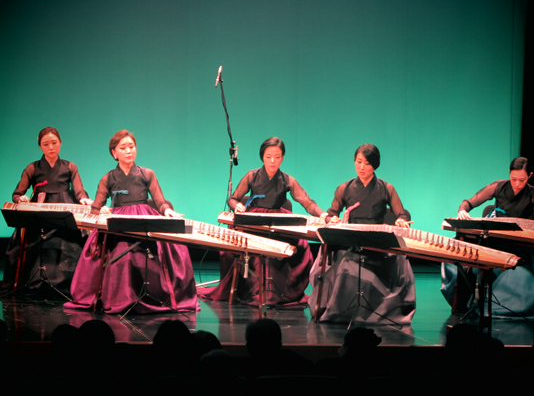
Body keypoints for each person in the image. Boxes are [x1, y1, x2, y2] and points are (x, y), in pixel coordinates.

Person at [441, 156, 534, 318]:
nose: (517, 184)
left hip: (521, 245)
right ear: (509, 174)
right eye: (513, 179)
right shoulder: (498, 187)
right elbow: (470, 202)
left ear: (530, 176)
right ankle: (465, 303)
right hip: (498, 241)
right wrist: (462, 210)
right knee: (466, 256)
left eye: (522, 180)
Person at [64, 130, 197, 314]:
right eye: (123, 148)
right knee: (122, 255)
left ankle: (153, 294)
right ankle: (121, 297)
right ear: (114, 153)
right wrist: (101, 209)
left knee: (161, 251)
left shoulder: (146, 173)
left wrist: (167, 210)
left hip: (143, 216)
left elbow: (159, 201)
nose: (129, 151)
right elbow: (96, 207)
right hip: (118, 222)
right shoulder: (108, 178)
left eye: (132, 147)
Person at [203, 137, 327, 306]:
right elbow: (232, 198)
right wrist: (237, 205)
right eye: (268, 156)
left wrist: (322, 214)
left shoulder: (287, 179)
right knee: (241, 246)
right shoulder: (252, 176)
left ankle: (281, 292)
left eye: (277, 156)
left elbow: (305, 201)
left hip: (278, 221)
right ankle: (252, 291)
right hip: (254, 221)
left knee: (301, 246)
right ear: (262, 157)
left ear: (282, 157)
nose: (273, 161)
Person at [308, 144, 416, 324]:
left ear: (375, 165)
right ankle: (342, 310)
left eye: (367, 163)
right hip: (351, 241)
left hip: (376, 242)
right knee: (344, 268)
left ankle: (373, 311)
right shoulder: (344, 188)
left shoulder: (386, 188)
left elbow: (401, 213)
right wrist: (332, 218)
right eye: (358, 162)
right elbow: (332, 212)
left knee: (371, 270)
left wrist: (400, 220)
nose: (362, 167)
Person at [1, 127, 92, 298]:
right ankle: (33, 281)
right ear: (40, 146)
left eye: (54, 143)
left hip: (63, 208)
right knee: (29, 240)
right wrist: (20, 199)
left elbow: (79, 190)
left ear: (60, 143)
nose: (51, 147)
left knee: (69, 242)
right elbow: (17, 193)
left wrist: (83, 199)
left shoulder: (69, 166)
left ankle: (65, 284)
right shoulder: (33, 167)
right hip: (40, 209)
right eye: (46, 144)